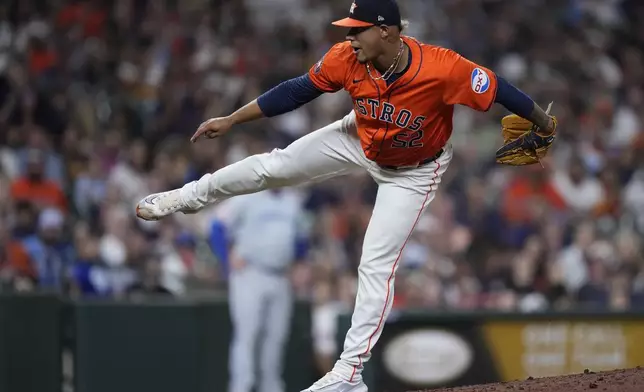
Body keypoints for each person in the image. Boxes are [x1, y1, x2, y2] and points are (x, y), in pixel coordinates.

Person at [135, 0, 556, 390]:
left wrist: (543, 122)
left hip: (414, 171)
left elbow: (498, 87)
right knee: (273, 166)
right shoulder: (346, 58)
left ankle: (349, 375)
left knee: (375, 263)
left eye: (357, 29)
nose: (349, 37)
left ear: (387, 31)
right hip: (359, 136)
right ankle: (184, 198)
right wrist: (232, 118)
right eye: (348, 29)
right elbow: (296, 90)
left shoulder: (443, 68)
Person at [210, 189, 309, 392]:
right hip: (250, 273)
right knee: (247, 335)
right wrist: (227, 260)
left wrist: (300, 262)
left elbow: (302, 236)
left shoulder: (292, 201)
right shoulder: (245, 196)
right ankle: (241, 387)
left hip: (281, 276)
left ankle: (271, 387)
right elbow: (216, 226)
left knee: (276, 337)